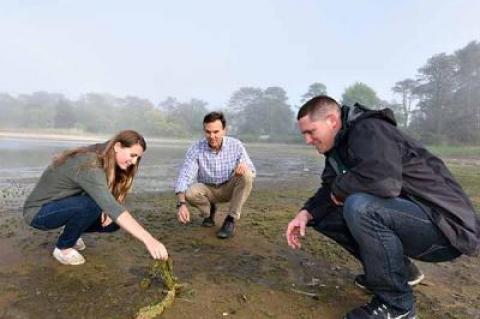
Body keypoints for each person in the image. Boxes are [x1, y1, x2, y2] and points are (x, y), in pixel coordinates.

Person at [286, 95, 480, 319]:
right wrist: (306, 212)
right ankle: (399, 272)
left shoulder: (370, 129)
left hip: (445, 229)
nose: (308, 140)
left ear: (331, 120)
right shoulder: (338, 148)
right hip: (414, 219)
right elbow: (330, 188)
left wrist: (339, 189)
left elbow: (382, 183)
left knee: (360, 206)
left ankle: (398, 306)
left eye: (311, 132)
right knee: (322, 214)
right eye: (305, 135)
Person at [23, 130, 168, 266]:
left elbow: (115, 202)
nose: (134, 162)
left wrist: (110, 210)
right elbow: (111, 206)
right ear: (118, 146)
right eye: (132, 155)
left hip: (64, 205)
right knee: (93, 205)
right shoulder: (90, 163)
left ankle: (72, 232)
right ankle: (63, 248)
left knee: (114, 223)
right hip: (38, 213)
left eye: (138, 158)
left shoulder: (108, 158)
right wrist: (149, 240)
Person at [175, 111, 255, 239]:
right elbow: (185, 175)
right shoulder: (196, 148)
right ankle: (208, 213)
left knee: (247, 175)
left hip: (229, 188)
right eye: (208, 132)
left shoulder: (236, 145)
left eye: (216, 132)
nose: (212, 136)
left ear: (224, 130)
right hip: (208, 189)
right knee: (189, 192)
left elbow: (251, 169)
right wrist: (181, 204)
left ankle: (230, 220)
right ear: (204, 131)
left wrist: (244, 167)